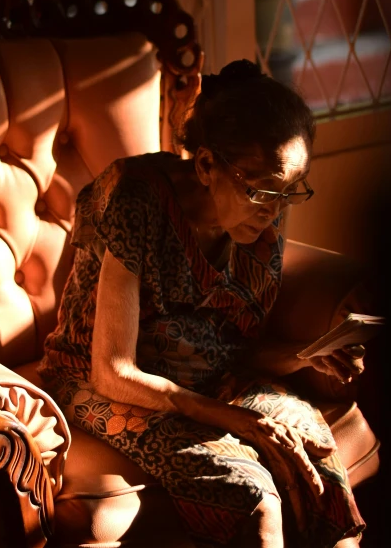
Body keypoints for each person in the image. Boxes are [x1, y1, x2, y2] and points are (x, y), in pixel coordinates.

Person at [37, 59, 367, 548]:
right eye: (261, 189)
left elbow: (233, 351)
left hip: (207, 382)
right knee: (251, 496)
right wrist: (231, 417)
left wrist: (309, 353)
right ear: (207, 164)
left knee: (314, 453)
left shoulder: (261, 216)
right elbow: (113, 371)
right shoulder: (136, 199)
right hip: (104, 386)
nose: (275, 210)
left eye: (290, 191)